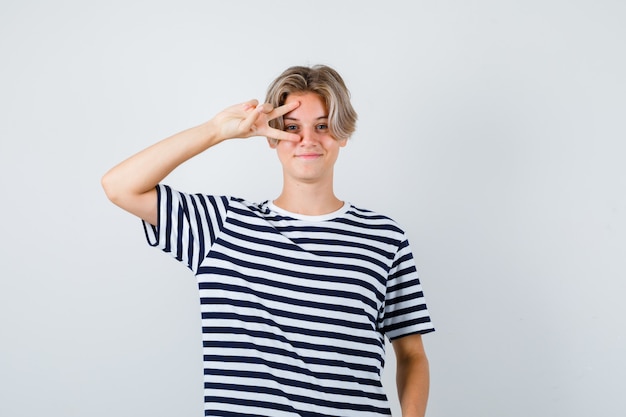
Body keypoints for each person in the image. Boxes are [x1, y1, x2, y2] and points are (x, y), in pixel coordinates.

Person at [101, 65, 435, 417]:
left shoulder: (384, 237)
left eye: (322, 126)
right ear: (272, 137)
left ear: (342, 133)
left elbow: (411, 353)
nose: (307, 139)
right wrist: (216, 131)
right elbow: (120, 186)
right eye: (292, 128)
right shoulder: (221, 227)